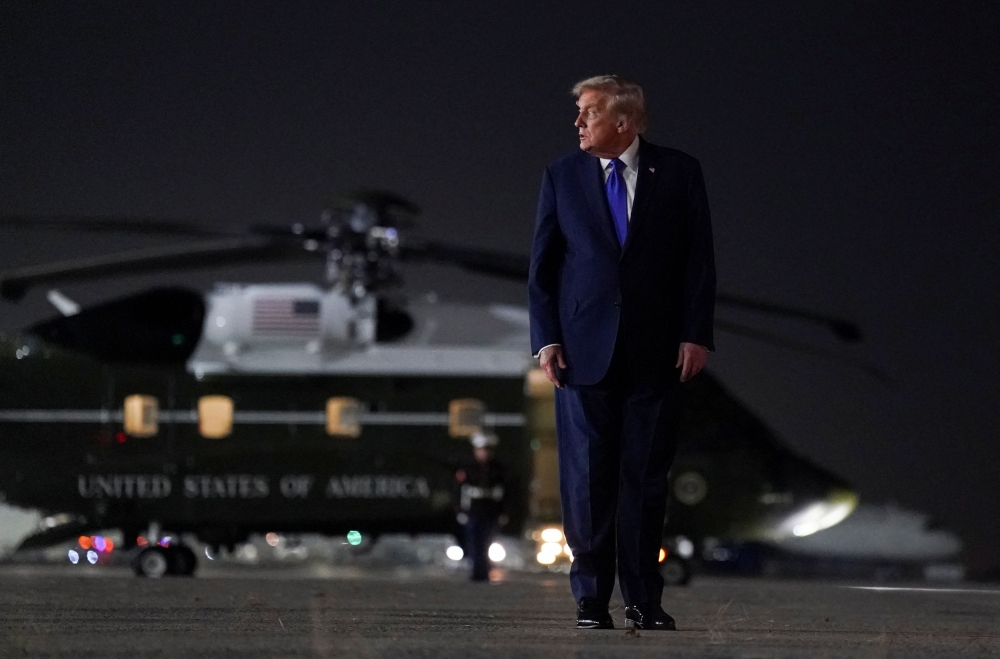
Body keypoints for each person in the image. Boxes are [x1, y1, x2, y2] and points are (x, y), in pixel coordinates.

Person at [528, 75, 715, 630]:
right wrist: (546, 338)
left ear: (623, 122)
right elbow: (543, 267)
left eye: (588, 113)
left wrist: (696, 333)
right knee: (586, 481)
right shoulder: (560, 176)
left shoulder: (679, 172)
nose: (578, 123)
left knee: (645, 479)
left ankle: (643, 600)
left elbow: (698, 261)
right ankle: (590, 599)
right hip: (581, 356)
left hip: (656, 353)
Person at [455, 430, 507, 582]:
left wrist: (504, 512)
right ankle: (476, 571)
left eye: (487, 450)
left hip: (491, 510)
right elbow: (458, 490)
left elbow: (506, 491)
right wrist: (459, 510)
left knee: (487, 542)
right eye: (481, 449)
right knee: (473, 542)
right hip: (473, 510)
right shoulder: (467, 468)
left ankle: (484, 570)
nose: (484, 453)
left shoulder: (498, 469)